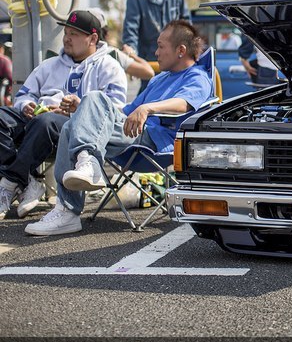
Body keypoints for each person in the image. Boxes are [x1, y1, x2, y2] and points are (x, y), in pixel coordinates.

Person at [25, 20, 213, 236]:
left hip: (155, 142)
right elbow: (124, 112)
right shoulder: (159, 79)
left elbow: (184, 103)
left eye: (161, 46)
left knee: (90, 103)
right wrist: (85, 108)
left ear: (181, 50)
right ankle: (73, 195)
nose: (156, 52)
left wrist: (147, 109)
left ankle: (72, 200)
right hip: (131, 133)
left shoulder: (198, 76)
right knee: (75, 120)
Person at [0, 10, 127, 219]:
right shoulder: (49, 65)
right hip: (36, 120)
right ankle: (26, 180)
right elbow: (23, 95)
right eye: (66, 32)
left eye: (74, 34)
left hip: (74, 129)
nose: (66, 38)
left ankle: (10, 182)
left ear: (93, 38)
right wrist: (27, 105)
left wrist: (81, 107)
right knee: (7, 117)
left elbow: (115, 109)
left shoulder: (109, 67)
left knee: (46, 121)